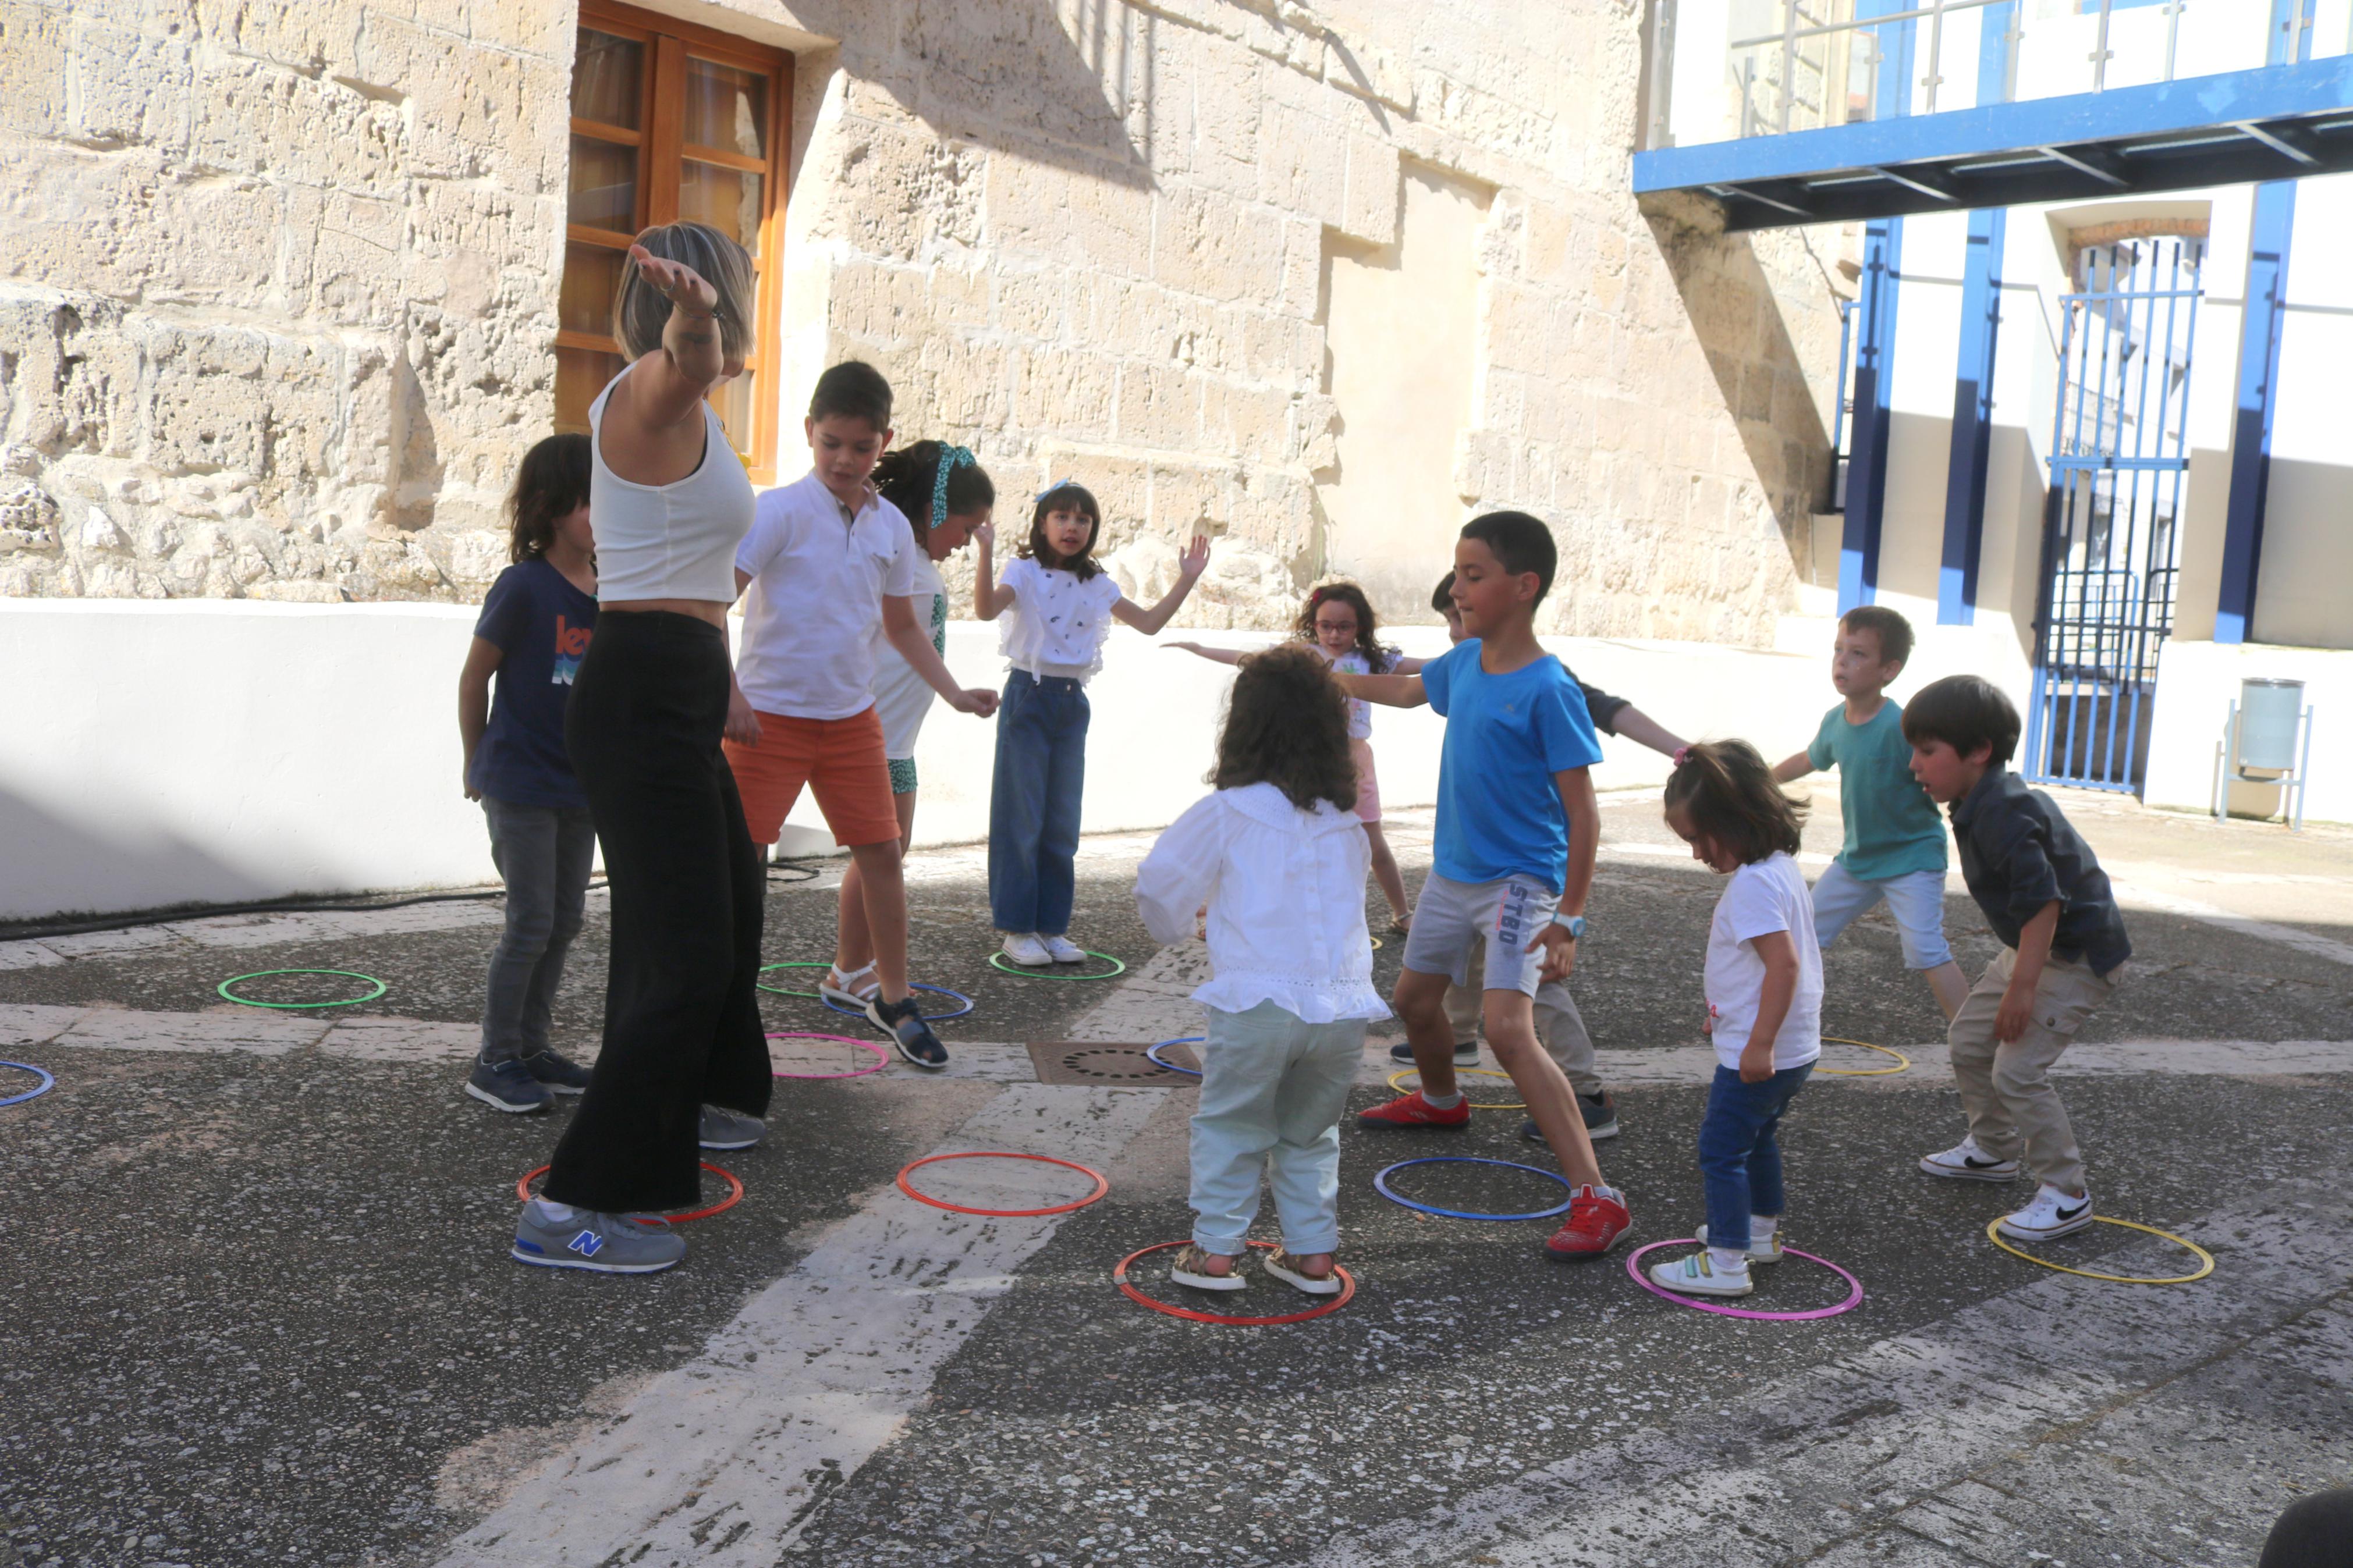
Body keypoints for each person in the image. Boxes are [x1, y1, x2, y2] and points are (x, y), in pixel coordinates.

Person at [513, 221, 766, 1276]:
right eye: (714, 291)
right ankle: (571, 1205)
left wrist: (729, 686)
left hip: (678, 685)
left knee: (728, 907)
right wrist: (697, 318)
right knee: (686, 956)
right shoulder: (649, 394)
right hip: (642, 692)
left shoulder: (685, 415)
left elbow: (705, 564)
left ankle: (674, 1127)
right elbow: (691, 361)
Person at [1337, 511, 1634, 1260]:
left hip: (1518, 883)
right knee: (1411, 1001)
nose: (1459, 591)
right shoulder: (1464, 665)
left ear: (1523, 586)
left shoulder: (1548, 688)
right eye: (1458, 574)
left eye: (1474, 577)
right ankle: (1441, 1103)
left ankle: (1597, 1196)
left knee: (1506, 1030)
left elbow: (1582, 814)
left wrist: (1569, 918)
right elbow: (1404, 690)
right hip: (1453, 872)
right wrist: (1316, 675)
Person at [723, 364, 999, 1068]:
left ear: (884, 443)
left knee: (882, 854)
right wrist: (726, 692)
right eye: (831, 444)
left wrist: (955, 692)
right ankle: (722, 1001)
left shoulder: (888, 530)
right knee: (736, 865)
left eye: (860, 447)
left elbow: (903, 629)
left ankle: (892, 996)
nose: (845, 460)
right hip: (768, 718)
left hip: (850, 720)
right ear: (808, 435)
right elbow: (714, 599)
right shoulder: (778, 510)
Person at [1135, 645, 1386, 1296]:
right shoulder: (1345, 823)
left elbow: (1161, 883)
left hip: (1255, 1005)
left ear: (1243, 725)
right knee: (1309, 1132)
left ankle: (1217, 1253)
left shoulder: (1228, 810)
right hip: (1339, 1011)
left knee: (1232, 1125)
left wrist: (1176, 928)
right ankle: (1310, 1256)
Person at [1418, 569, 1688, 1148]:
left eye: (1458, 612)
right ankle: (1458, 1036)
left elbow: (1609, 710)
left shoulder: (1543, 680)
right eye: (1446, 618)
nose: (1452, 628)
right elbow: (1398, 673)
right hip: (1468, 868)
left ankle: (1587, 1095)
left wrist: (1679, 749)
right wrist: (1328, 669)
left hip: (1523, 871)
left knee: (1531, 984)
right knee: (1461, 960)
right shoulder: (1469, 665)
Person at [1904, 675, 2131, 1242]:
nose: (1914, 764)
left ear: (1977, 751)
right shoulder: (1974, 798)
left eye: (1926, 751)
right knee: (1968, 1040)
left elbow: (2044, 903)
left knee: (2017, 1069)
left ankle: (2065, 1193)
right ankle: (1992, 1148)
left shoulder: (2005, 808)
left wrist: (2021, 989)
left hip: (2073, 954)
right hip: (2033, 947)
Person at [973, 481, 1209, 967]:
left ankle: (1051, 927)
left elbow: (1147, 623)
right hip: (1028, 696)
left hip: (1070, 701)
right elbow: (983, 609)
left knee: (1061, 821)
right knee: (1022, 818)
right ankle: (1017, 928)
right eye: (1061, 517)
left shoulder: (1096, 583)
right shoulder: (1023, 572)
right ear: (1042, 523)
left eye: (1083, 520)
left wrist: (1187, 578)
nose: (1072, 527)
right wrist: (986, 551)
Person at [821, 440, 996, 1009]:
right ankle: (849, 971)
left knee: (889, 853)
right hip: (875, 729)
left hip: (897, 735)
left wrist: (954, 694)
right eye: (965, 530)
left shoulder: (910, 561)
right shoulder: (898, 559)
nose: (965, 543)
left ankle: (859, 964)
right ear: (934, 511)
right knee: (880, 856)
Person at [456, 433, 600, 1115]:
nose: (602, 514)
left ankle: (532, 1046)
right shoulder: (522, 586)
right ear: (551, 508)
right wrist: (474, 756)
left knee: (566, 918)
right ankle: (494, 1058)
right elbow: (472, 679)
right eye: (590, 501)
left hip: (580, 787)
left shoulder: (611, 591)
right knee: (530, 921)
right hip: (520, 783)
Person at [1648, 741, 1823, 1298]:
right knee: (1758, 1136)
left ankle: (1726, 1261)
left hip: (1764, 1047)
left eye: (1701, 837)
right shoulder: (1779, 868)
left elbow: (1783, 964)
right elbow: (1759, 970)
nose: (1698, 852)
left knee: (1721, 1148)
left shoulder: (1750, 885)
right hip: (1794, 1046)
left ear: (1738, 819)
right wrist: (1727, 1017)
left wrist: (1756, 1043)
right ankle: (1759, 1232)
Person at [1169, 581, 1414, 930]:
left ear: (1360, 627)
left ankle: (1402, 912)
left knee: (1372, 839)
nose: (1334, 634)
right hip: (1304, 757)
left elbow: (1430, 668)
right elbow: (1250, 660)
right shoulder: (1301, 656)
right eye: (1326, 625)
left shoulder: (1371, 660)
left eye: (1345, 626)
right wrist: (1201, 648)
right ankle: (1217, 908)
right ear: (1313, 622)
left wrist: (1477, 647)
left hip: (1355, 760)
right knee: (1267, 834)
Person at [1773, 606, 1969, 1020]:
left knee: (1925, 949)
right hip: (1857, 860)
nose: (1842, 660)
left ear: (1889, 669)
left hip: (1911, 858)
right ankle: (1774, 1019)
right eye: (1838, 649)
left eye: (1858, 653)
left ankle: (1973, 1037)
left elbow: (1938, 773)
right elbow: (1808, 759)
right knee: (1802, 934)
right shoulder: (1834, 722)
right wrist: (1760, 781)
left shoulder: (1901, 726)